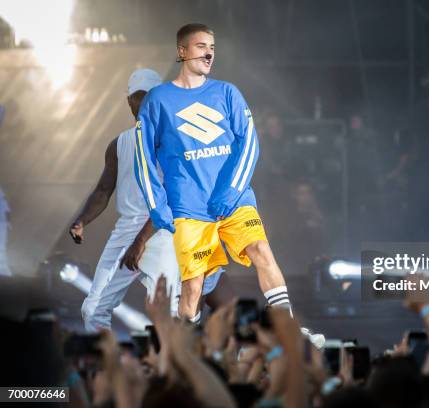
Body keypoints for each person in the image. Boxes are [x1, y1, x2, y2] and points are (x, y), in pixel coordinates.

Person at [134, 23, 295, 323]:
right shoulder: (158, 100)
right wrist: (157, 206)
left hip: (233, 201)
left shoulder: (227, 92)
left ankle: (289, 331)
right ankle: (187, 352)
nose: (209, 53)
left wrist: (232, 191)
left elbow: (250, 144)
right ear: (181, 51)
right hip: (189, 209)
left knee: (261, 250)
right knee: (194, 287)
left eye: (212, 48)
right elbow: (142, 157)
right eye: (201, 46)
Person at [70, 68, 232, 332]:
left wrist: (141, 241)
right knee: (93, 309)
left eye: (149, 97)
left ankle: (173, 368)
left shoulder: (176, 141)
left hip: (161, 232)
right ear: (128, 101)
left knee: (168, 316)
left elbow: (172, 197)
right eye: (137, 97)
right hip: (126, 231)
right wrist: (81, 220)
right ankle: (106, 370)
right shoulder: (119, 144)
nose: (142, 102)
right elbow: (102, 191)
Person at [0, 185, 11, 276]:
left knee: (1, 248)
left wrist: (7, 223)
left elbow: (7, 212)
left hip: (2, 225)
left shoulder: (2, 201)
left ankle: (4, 271)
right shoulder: (3, 201)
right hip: (3, 224)